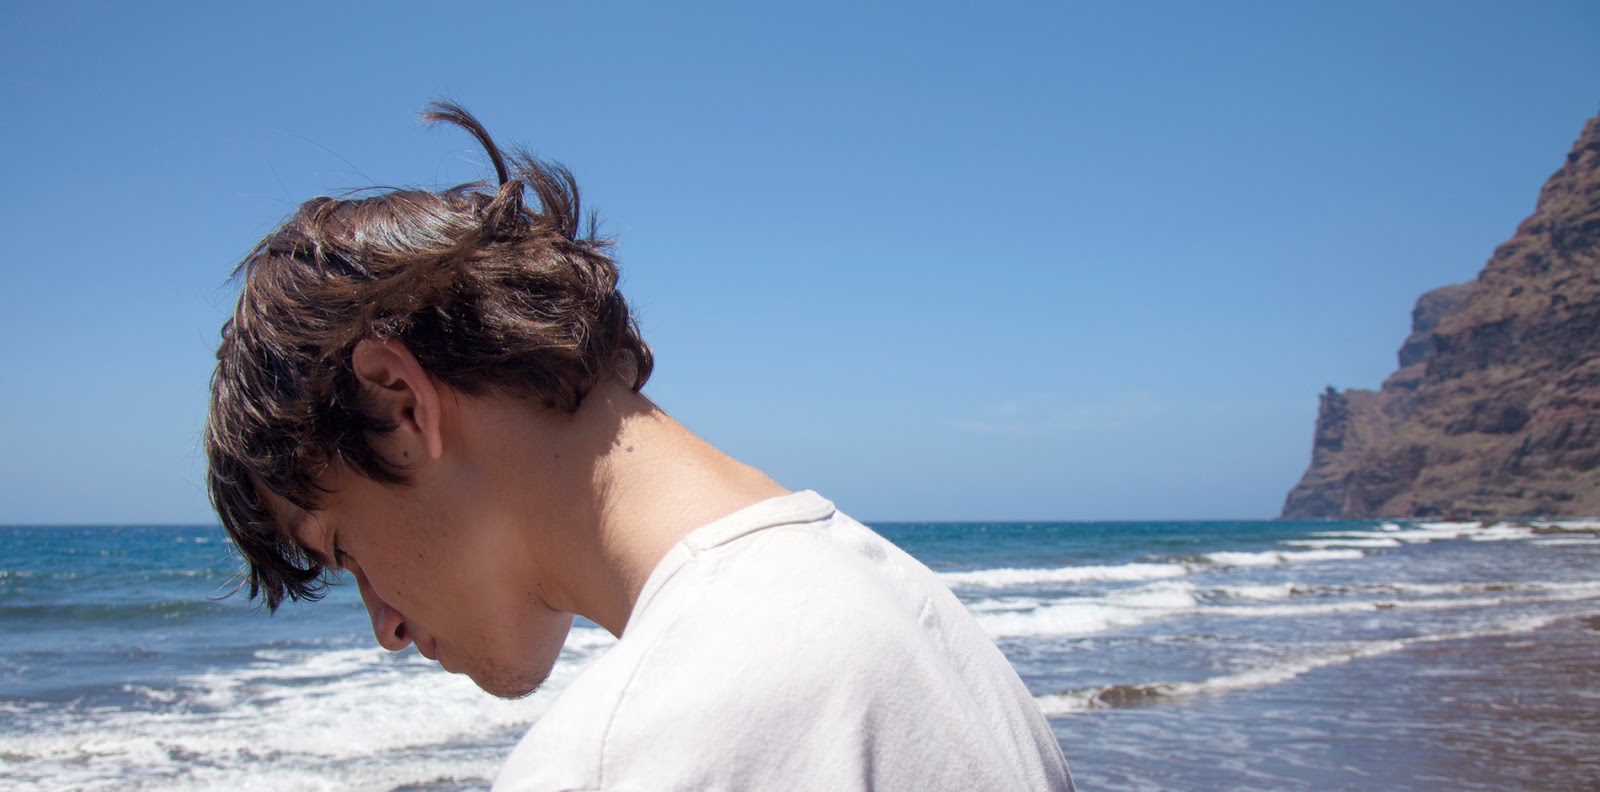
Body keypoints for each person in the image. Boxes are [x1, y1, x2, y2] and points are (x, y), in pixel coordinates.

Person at [205, 102, 1075, 791]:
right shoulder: (923, 623)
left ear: (400, 404)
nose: (387, 627)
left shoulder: (626, 756)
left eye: (345, 551)